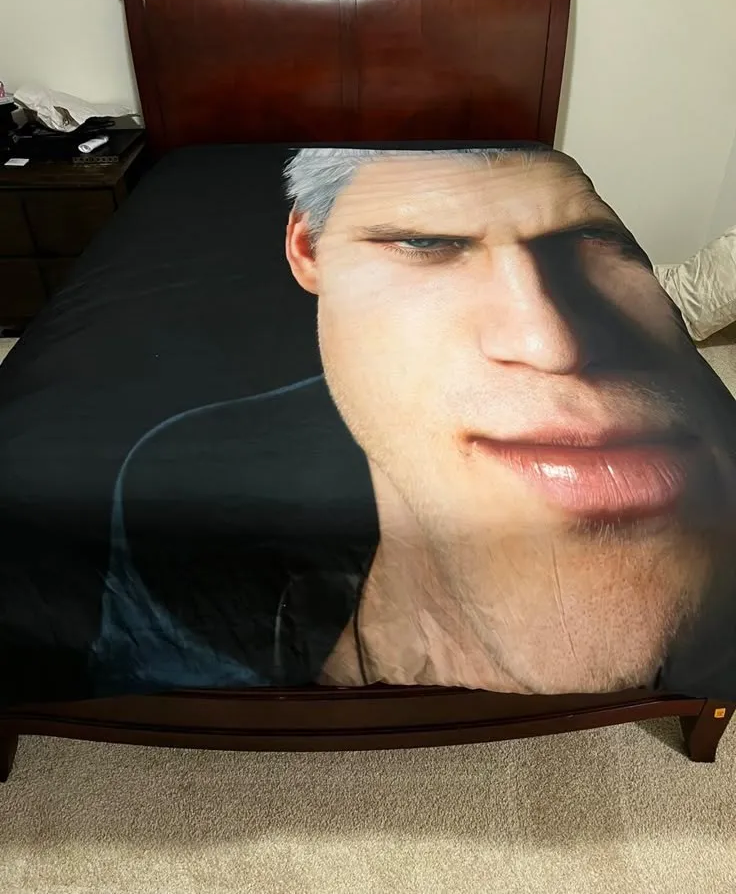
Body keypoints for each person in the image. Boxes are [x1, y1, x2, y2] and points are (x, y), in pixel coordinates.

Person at [93, 146, 736, 698]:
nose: (552, 344)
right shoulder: (172, 462)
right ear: (307, 248)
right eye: (426, 242)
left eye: (590, 240)